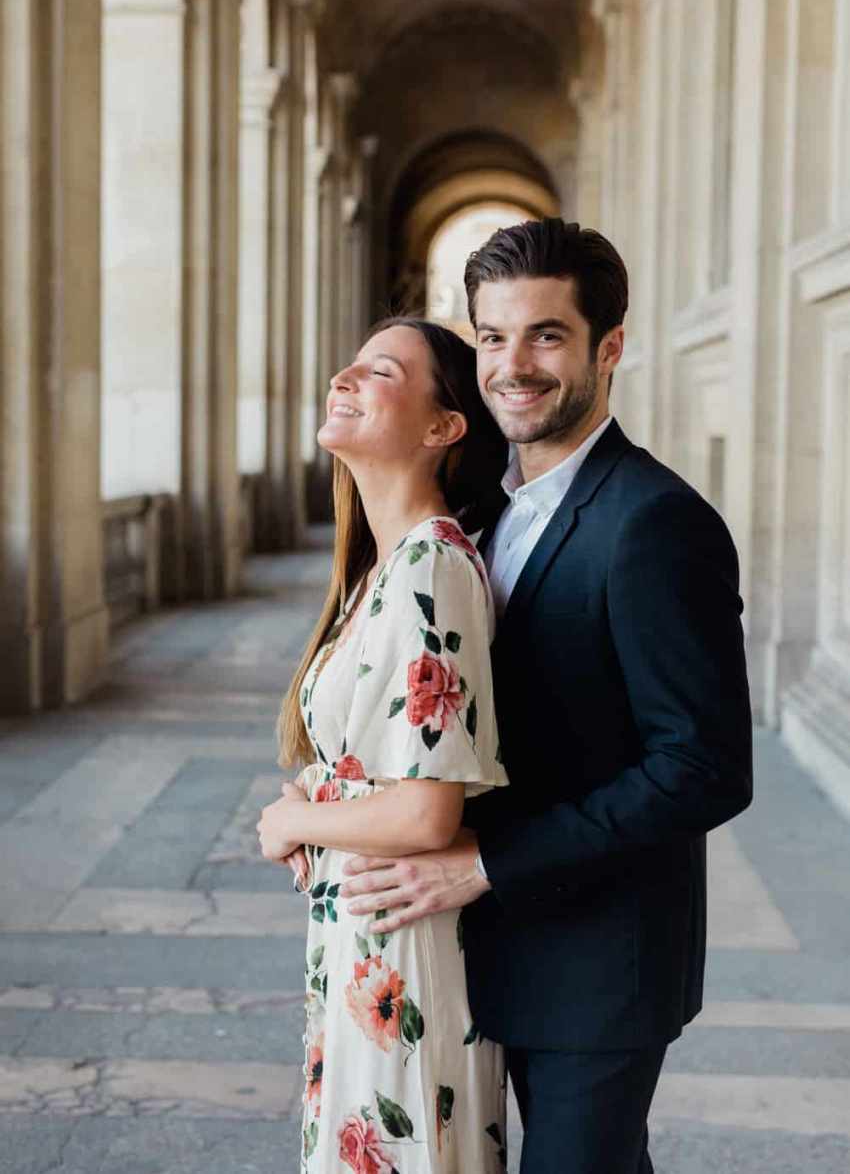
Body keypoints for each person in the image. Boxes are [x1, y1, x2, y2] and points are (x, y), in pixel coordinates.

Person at [339, 218, 754, 1173]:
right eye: (492, 337)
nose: (512, 366)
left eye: (547, 336)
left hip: (597, 967)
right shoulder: (476, 512)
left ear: (609, 347)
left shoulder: (659, 523)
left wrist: (489, 862)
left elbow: (702, 768)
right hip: (472, 951)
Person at [256, 319, 511, 1172]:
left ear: (444, 427)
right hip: (363, 943)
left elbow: (427, 809)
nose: (346, 375)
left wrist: (294, 819)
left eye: (383, 370)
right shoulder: (383, 567)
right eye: (352, 363)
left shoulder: (433, 565)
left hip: (402, 947)